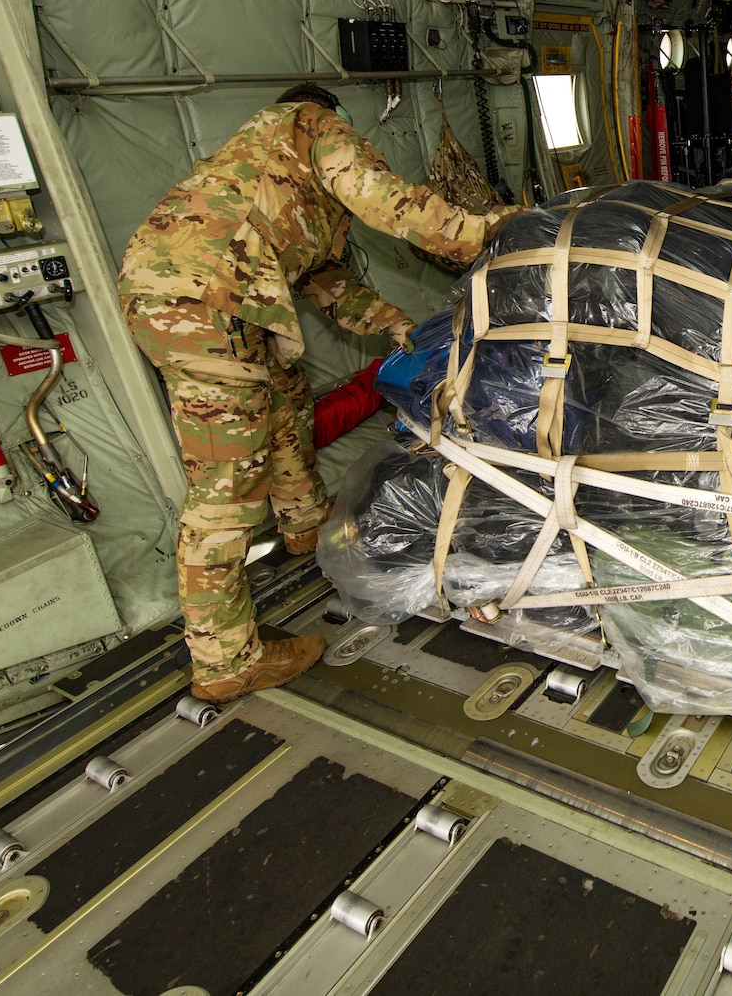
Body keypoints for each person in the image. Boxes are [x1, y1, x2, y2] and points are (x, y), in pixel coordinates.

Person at [120, 83, 515, 702]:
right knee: (226, 485)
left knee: (284, 397)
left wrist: (387, 320)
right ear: (329, 114)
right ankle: (226, 660)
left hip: (216, 299)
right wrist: (489, 231)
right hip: (202, 305)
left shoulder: (267, 174)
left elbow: (319, 277)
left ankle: (304, 524)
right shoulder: (307, 124)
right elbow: (389, 203)